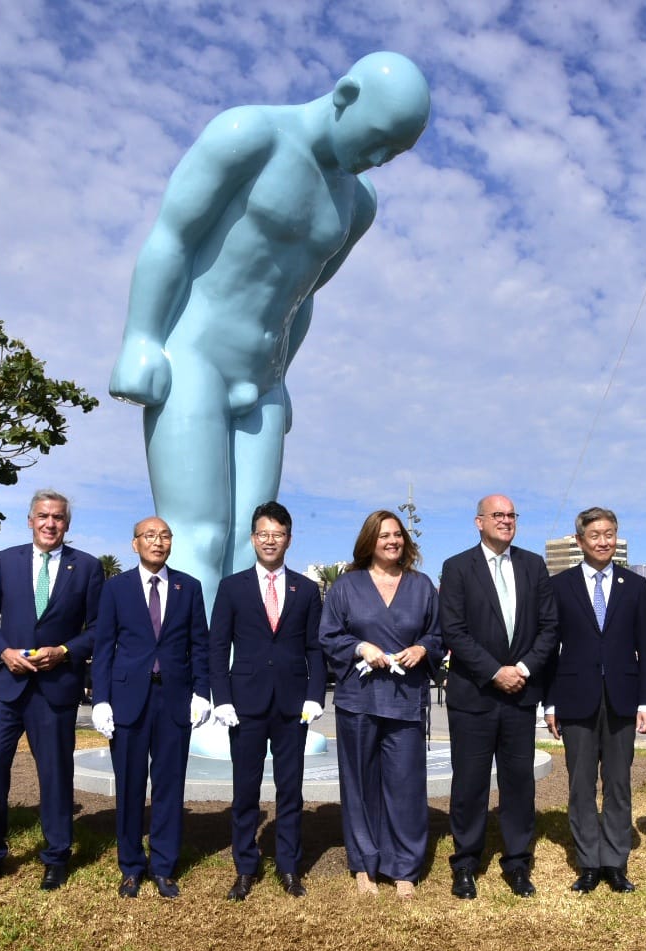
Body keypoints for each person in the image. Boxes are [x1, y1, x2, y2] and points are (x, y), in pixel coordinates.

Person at [111, 52, 432, 605]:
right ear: (346, 96)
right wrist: (141, 337)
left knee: (253, 543)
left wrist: (281, 377)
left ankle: (240, 680)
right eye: (378, 138)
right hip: (196, 357)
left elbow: (302, 298)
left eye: (394, 153)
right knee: (197, 535)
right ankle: (196, 683)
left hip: (264, 378)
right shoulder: (251, 133)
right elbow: (173, 237)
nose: (379, 159)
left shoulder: (357, 203)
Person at [0, 490, 104, 891]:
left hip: (55, 689)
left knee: (55, 775)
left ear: (67, 524)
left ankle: (57, 856)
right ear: (29, 520)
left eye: (58, 518)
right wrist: (2, 651)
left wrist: (64, 651)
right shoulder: (5, 561)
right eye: (42, 516)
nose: (50, 523)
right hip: (7, 687)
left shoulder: (89, 568)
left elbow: (97, 629)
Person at [439, 494, 559, 900]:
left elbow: (549, 628)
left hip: (521, 697)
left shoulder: (533, 566)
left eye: (511, 515)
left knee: (518, 784)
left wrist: (521, 670)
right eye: (498, 515)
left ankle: (518, 863)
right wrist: (494, 672)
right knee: (470, 784)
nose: (506, 521)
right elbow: (453, 631)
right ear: (479, 522)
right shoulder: (457, 568)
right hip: (474, 696)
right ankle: (466, 863)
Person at [320, 510, 441, 899]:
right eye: (384, 535)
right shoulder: (346, 586)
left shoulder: (422, 586)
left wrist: (423, 647)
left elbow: (438, 633)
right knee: (359, 782)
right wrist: (360, 646)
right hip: (358, 699)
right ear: (369, 541)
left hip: (405, 701)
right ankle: (364, 865)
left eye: (398, 535)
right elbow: (328, 635)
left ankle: (404, 866)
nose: (392, 541)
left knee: (406, 784)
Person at [209, 501, 326, 900]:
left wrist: (315, 696)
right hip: (244, 705)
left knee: (290, 790)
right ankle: (245, 867)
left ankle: (289, 867)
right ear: (253, 538)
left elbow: (315, 649)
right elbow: (217, 647)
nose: (270, 540)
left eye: (278, 534)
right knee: (245, 791)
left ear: (289, 539)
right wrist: (221, 698)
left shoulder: (307, 589)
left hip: (294, 705)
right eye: (263, 533)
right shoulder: (232, 586)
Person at [90, 516, 210, 900]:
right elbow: (104, 647)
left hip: (174, 699)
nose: (157, 542)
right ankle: (130, 866)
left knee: (169, 784)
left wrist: (202, 692)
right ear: (134, 543)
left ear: (171, 543)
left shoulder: (188, 587)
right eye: (149, 536)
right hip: (128, 700)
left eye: (164, 536)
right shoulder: (115, 589)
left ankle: (163, 865)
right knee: (129, 784)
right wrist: (101, 699)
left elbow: (200, 645)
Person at [544, 508, 646, 894]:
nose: (604, 541)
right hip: (575, 698)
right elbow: (550, 650)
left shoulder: (635, 585)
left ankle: (615, 861)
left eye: (609, 533)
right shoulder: (560, 586)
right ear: (580, 541)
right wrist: (550, 704)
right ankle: (588, 862)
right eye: (595, 535)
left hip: (624, 699)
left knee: (618, 782)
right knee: (580, 785)